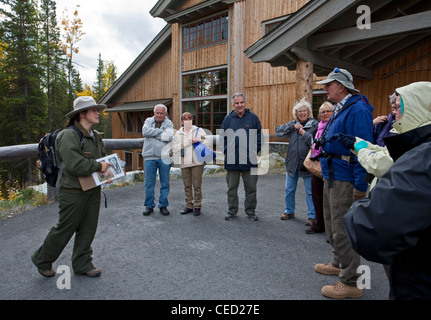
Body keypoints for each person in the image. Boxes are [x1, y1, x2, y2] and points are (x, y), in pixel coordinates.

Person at [344, 81, 431, 300]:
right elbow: (385, 151)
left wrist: (359, 208)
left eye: (398, 107)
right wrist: (361, 145)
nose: (393, 113)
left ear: (417, 108)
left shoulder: (420, 159)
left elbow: (372, 229)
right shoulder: (415, 145)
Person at [31, 96, 112, 278]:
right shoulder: (68, 135)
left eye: (97, 109)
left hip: (93, 190)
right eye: (93, 110)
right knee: (65, 229)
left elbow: (103, 160)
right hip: (72, 192)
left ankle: (83, 263)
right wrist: (98, 167)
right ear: (81, 114)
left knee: (88, 229)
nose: (97, 113)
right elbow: (74, 165)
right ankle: (42, 260)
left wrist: (107, 172)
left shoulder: (96, 136)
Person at [314, 67, 374, 299]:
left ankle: (351, 282)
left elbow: (363, 147)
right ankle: (339, 263)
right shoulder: (344, 108)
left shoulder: (357, 109)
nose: (325, 89)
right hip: (333, 173)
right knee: (332, 225)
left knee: (342, 228)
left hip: (345, 176)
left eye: (329, 85)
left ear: (341, 86)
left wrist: (361, 185)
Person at [220, 93, 262, 221]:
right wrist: (227, 150)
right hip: (232, 160)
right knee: (232, 188)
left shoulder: (253, 118)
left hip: (250, 160)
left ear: (245, 103)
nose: (239, 105)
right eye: (237, 103)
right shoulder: (228, 119)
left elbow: (259, 137)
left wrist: (255, 150)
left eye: (241, 102)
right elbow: (222, 138)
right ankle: (232, 210)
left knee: (251, 188)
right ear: (233, 105)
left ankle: (250, 211)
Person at [275, 98, 318, 225]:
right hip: (292, 162)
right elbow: (278, 132)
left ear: (308, 112)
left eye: (304, 110)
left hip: (308, 163)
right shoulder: (293, 125)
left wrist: (304, 133)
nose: (302, 113)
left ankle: (312, 215)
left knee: (310, 192)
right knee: (289, 190)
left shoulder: (314, 125)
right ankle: (289, 211)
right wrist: (291, 126)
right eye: (299, 111)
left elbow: (315, 142)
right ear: (296, 113)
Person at [172, 112, 212, 216]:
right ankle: (189, 205)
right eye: (185, 118)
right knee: (187, 186)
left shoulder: (199, 130)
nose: (187, 120)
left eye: (189, 118)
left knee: (197, 185)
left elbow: (208, 142)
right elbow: (175, 148)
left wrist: (197, 140)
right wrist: (188, 142)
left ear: (192, 120)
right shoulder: (178, 134)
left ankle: (197, 206)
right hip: (184, 163)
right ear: (182, 121)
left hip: (197, 162)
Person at [305, 101, 333, 234]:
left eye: (328, 111)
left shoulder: (333, 125)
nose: (325, 114)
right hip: (316, 164)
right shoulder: (319, 126)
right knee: (316, 196)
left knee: (329, 197)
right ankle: (319, 223)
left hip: (329, 165)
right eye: (322, 112)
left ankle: (329, 227)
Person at [142, 104, 173, 216]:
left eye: (161, 113)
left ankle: (163, 205)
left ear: (165, 114)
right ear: (154, 113)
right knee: (149, 183)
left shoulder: (169, 123)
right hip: (150, 157)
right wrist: (161, 132)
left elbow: (169, 137)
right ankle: (149, 206)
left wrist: (153, 133)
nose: (159, 115)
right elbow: (145, 132)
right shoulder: (148, 121)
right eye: (157, 113)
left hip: (164, 157)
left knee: (164, 183)